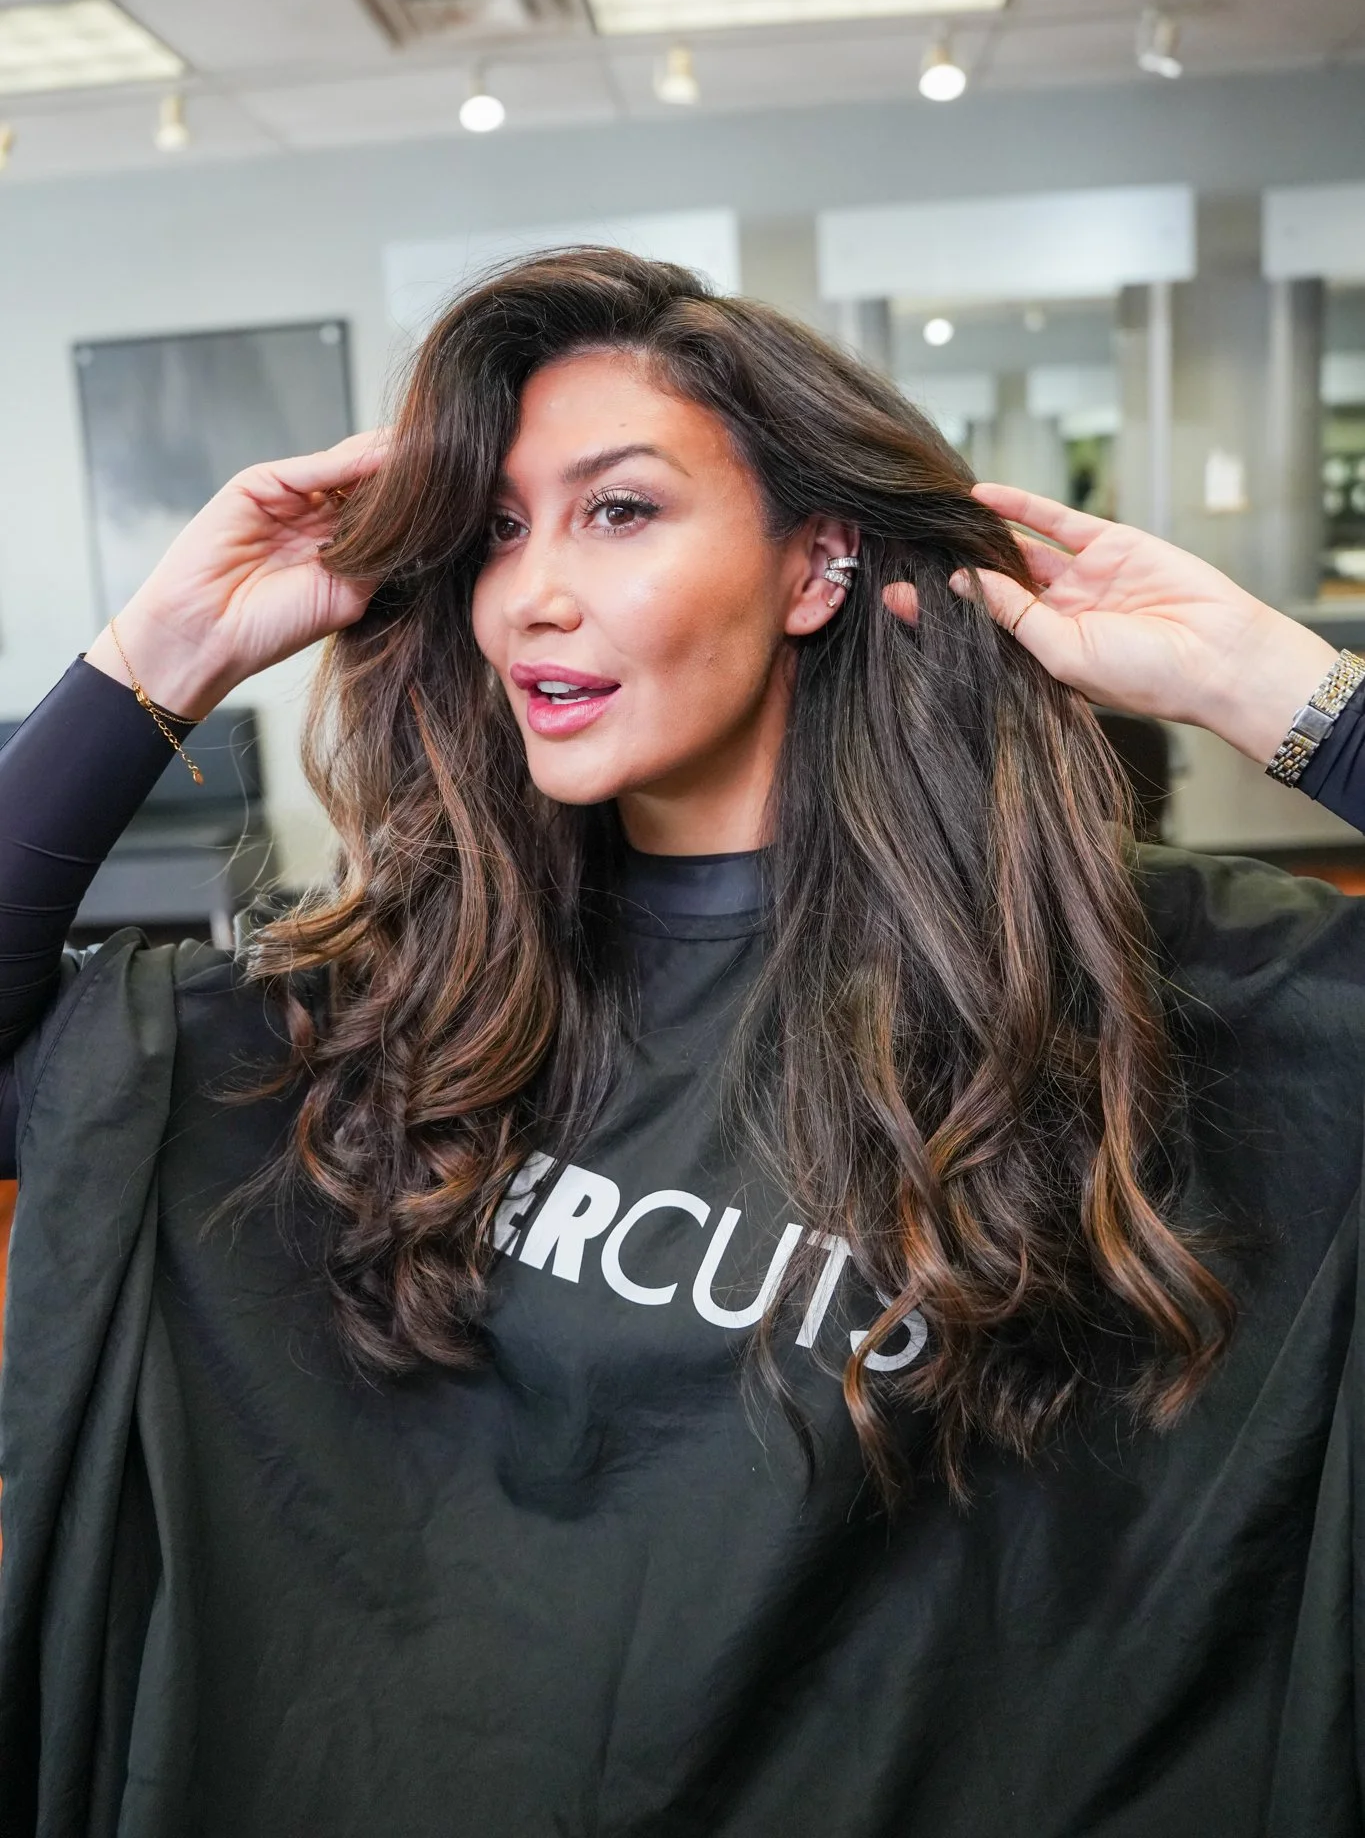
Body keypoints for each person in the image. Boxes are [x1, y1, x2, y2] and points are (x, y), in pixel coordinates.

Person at [1, 247, 1364, 1838]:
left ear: (817, 564)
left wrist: (1293, 694)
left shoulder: (1125, 983)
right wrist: (151, 665)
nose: (533, 595)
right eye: (498, 533)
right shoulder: (403, 1003)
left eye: (619, 509)